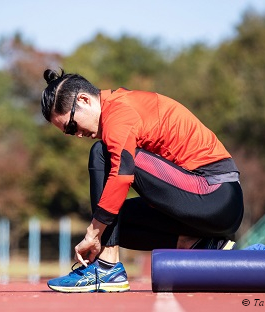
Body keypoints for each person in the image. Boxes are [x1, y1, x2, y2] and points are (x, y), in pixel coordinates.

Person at [40, 68, 244, 293]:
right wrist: (99, 228)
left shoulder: (117, 112)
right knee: (115, 221)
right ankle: (201, 243)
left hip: (216, 195)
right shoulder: (119, 106)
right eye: (69, 133)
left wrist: (93, 232)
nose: (77, 134)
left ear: (84, 100)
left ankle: (107, 268)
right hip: (210, 208)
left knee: (101, 153)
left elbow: (122, 174)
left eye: (72, 125)